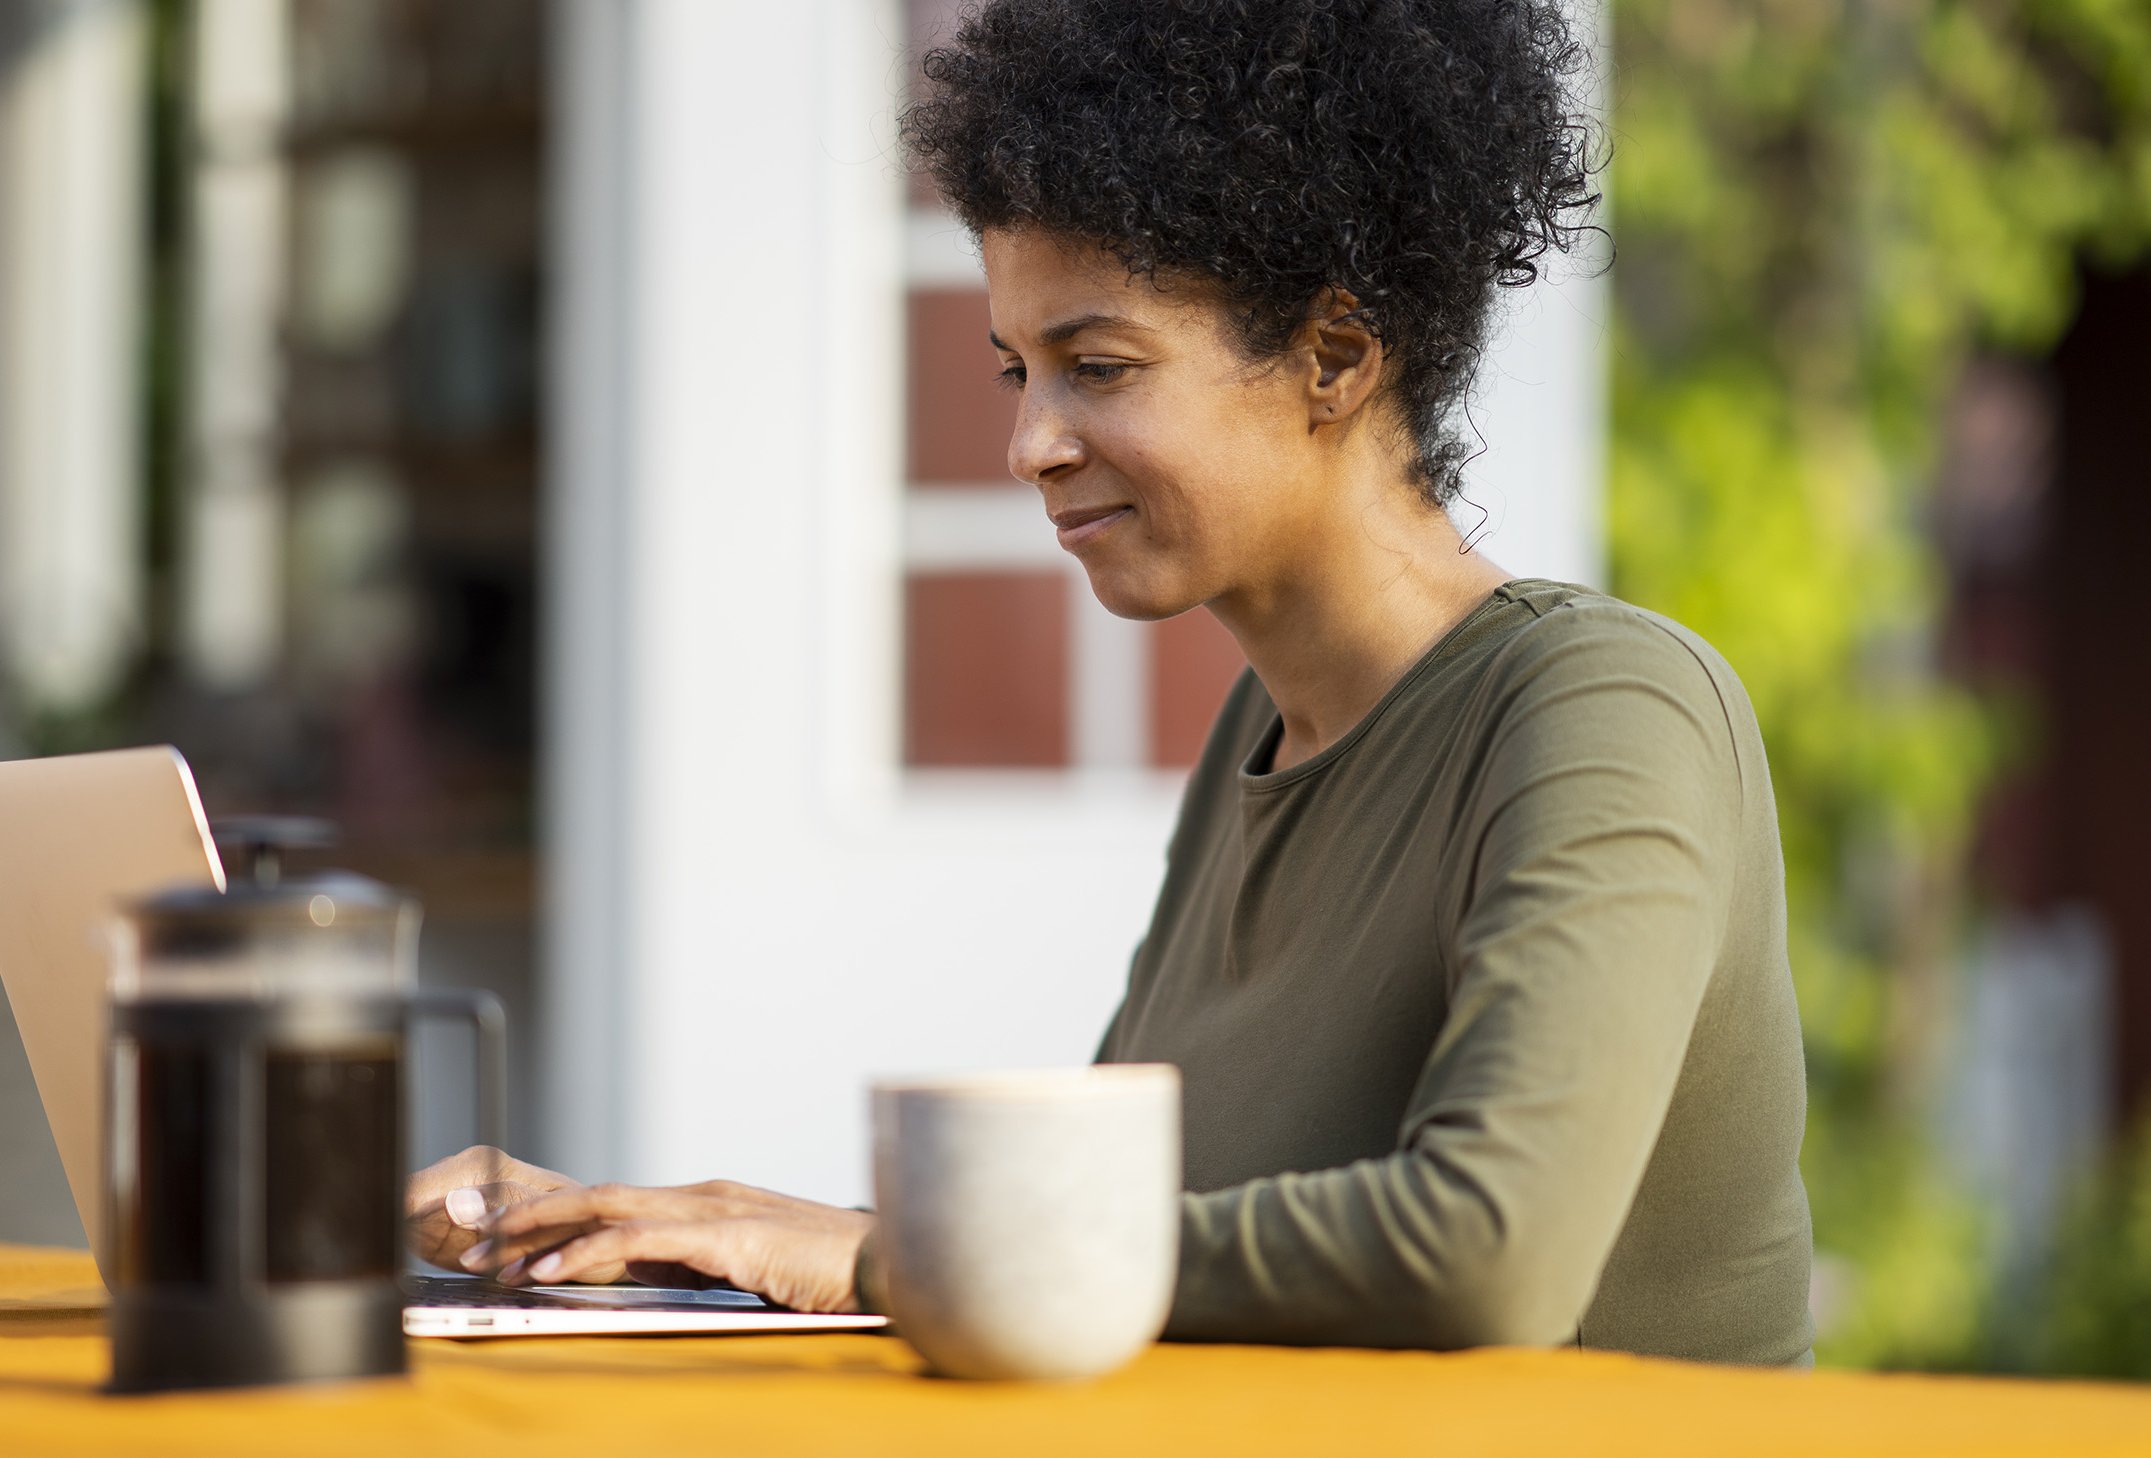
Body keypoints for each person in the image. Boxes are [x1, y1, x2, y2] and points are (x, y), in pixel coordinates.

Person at [406, 0, 1814, 1364]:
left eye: (1099, 365)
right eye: (1021, 369)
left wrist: (880, 1253)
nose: (1029, 442)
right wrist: (710, 1236)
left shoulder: (1609, 710)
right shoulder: (1259, 737)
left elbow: (1486, 1246)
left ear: (1334, 356)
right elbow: (1091, 1237)